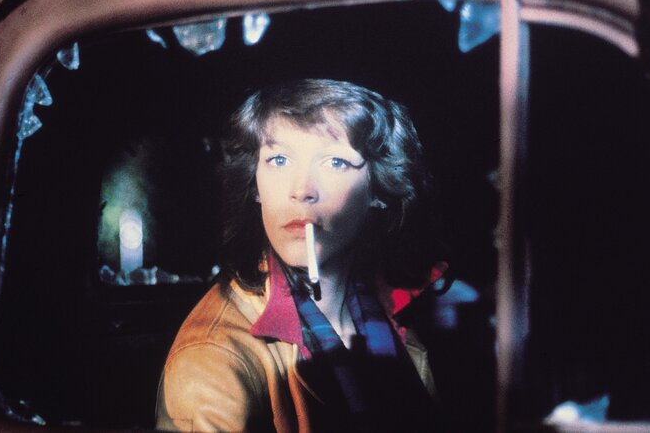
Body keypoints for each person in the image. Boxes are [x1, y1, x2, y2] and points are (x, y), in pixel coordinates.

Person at [156, 79, 446, 432]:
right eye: (279, 160)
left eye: (335, 162)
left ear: (379, 189)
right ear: (255, 184)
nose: (301, 190)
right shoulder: (212, 360)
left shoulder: (390, 313)